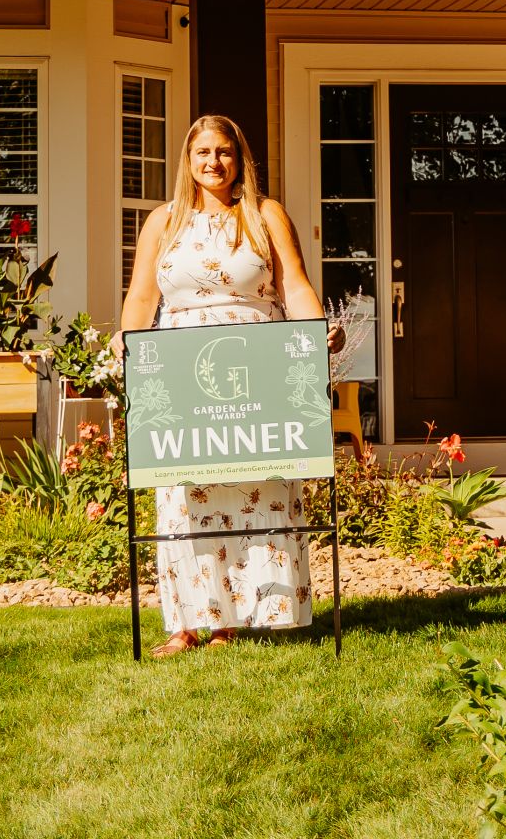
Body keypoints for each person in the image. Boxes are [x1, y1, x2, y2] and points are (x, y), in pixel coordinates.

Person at [119, 114, 332, 655]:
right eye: (202, 153)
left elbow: (296, 287)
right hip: (181, 370)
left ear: (240, 159)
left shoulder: (264, 216)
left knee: (251, 482)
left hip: (255, 368)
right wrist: (130, 357)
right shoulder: (162, 222)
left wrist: (313, 339)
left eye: (224, 152)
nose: (214, 162)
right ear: (187, 162)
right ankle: (188, 623)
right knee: (187, 493)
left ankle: (239, 618)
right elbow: (142, 299)